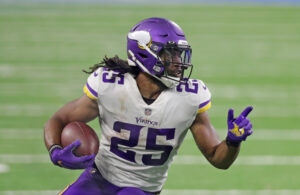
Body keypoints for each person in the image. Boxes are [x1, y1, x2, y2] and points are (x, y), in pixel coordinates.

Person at [44, 17, 253, 195]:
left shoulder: (190, 97)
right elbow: (59, 120)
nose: (178, 62)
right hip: (99, 177)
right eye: (170, 54)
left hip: (141, 189)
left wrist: (233, 142)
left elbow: (218, 159)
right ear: (145, 53)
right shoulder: (111, 85)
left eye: (179, 54)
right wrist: (55, 150)